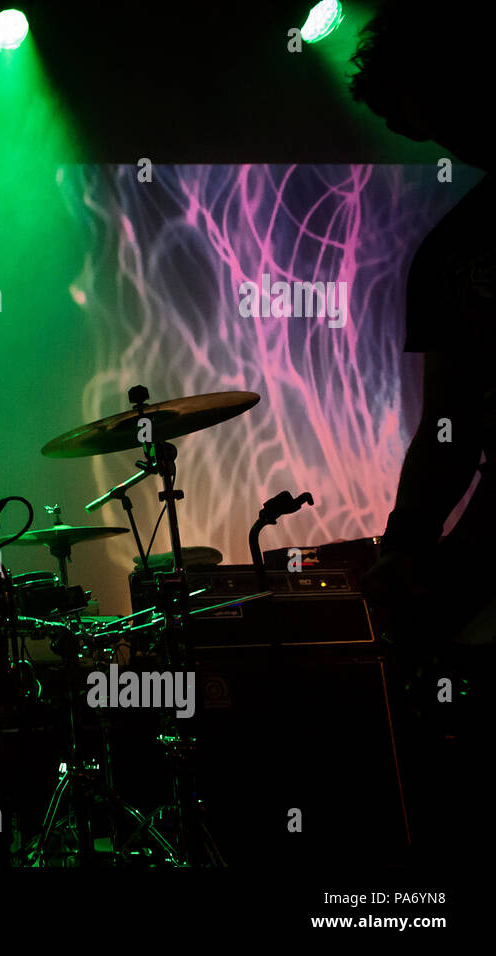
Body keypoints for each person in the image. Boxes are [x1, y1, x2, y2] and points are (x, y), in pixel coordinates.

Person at [348, 0, 494, 862]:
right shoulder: (453, 251)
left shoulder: (458, 249)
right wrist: (407, 550)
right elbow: (452, 426)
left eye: (421, 111)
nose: (427, 138)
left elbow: (451, 429)